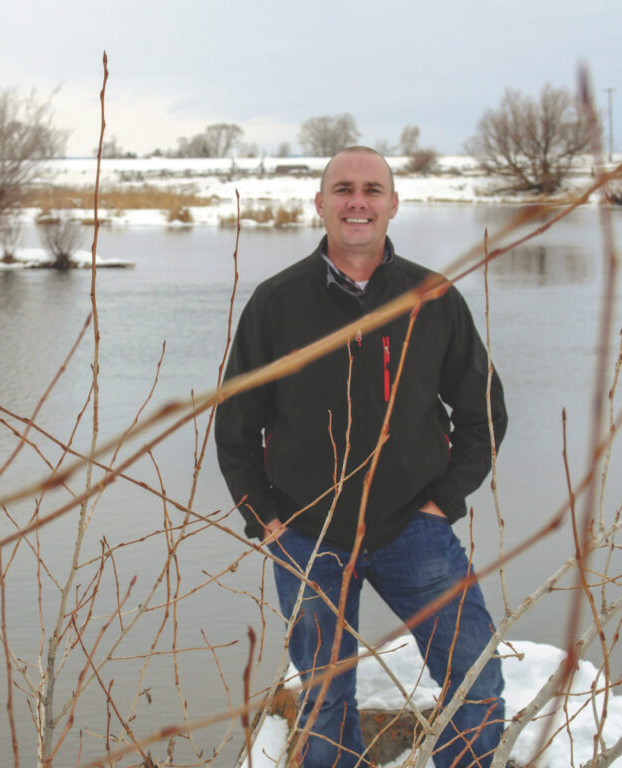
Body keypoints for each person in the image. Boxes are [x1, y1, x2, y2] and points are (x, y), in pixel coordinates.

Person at [215, 146, 508, 768]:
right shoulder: (276, 303)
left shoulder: (432, 298)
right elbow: (236, 426)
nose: (358, 201)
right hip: (308, 535)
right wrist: (267, 520)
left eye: (373, 189)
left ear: (393, 204)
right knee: (325, 708)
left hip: (415, 532)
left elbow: (483, 413)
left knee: (477, 688)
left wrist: (441, 502)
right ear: (319, 204)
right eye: (343, 189)